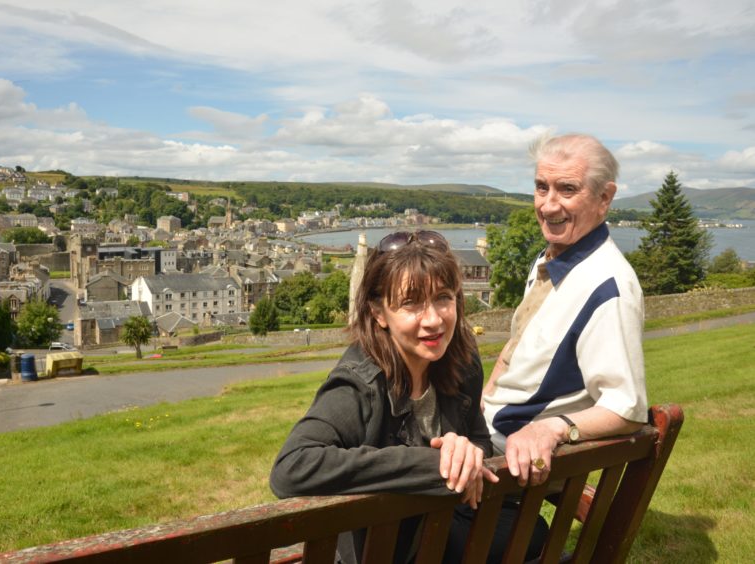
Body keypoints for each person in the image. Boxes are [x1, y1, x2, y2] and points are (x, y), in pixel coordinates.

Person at [270, 230, 547, 563]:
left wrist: (467, 451)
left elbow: (477, 437)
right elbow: (291, 468)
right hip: (380, 548)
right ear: (378, 313)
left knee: (531, 530)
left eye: (443, 297)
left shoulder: (462, 362)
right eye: (411, 303)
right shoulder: (360, 383)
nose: (433, 320)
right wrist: (431, 464)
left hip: (436, 533)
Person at [482, 133, 648, 488]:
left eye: (567, 189)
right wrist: (480, 401)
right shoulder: (552, 257)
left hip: (502, 456)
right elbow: (515, 350)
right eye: (542, 187)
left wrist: (554, 428)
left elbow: (627, 408)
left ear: (605, 197)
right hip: (485, 432)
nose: (548, 205)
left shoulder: (608, 287)